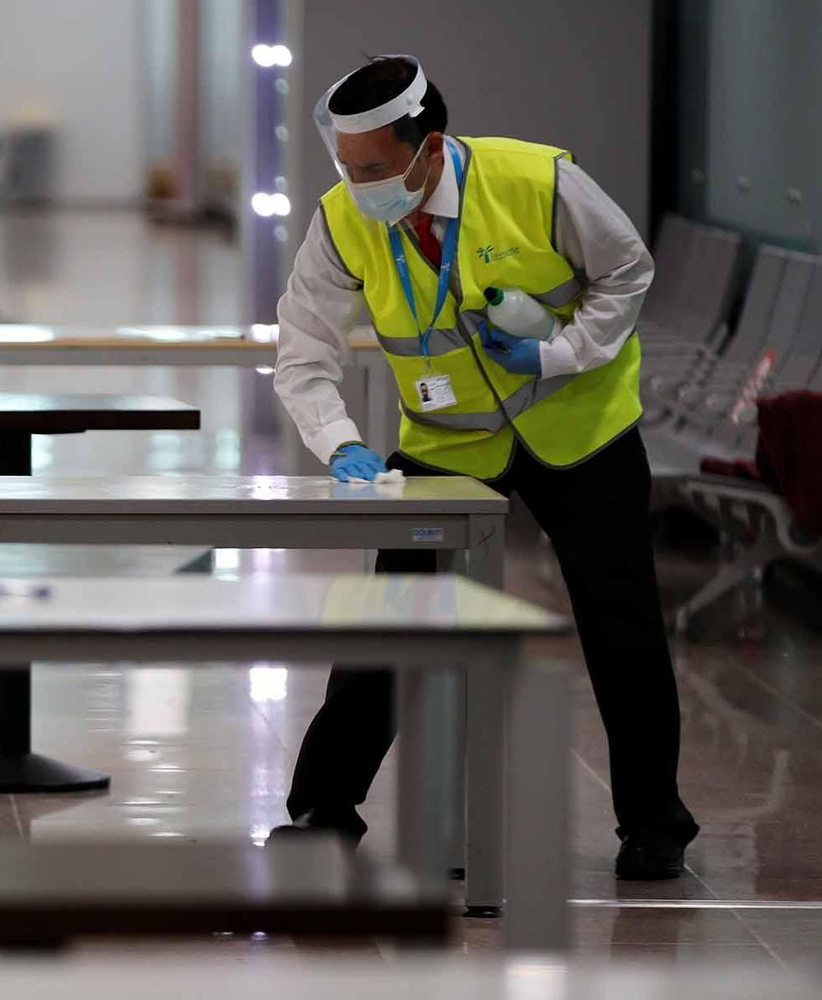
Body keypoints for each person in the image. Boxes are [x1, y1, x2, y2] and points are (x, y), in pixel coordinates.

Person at [271, 56, 698, 880]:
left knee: (622, 626)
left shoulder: (537, 179)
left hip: (582, 430)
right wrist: (339, 440)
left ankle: (655, 823)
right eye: (345, 169)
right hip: (447, 440)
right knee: (389, 617)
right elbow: (303, 345)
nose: (358, 186)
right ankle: (324, 807)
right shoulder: (343, 217)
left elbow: (627, 270)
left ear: (428, 147)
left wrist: (561, 352)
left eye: (373, 169)